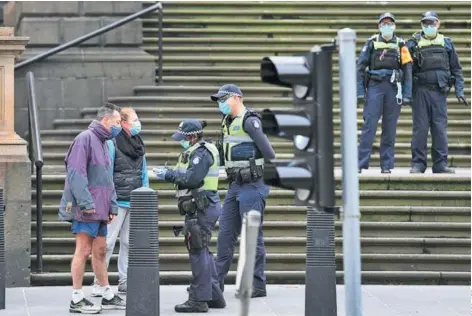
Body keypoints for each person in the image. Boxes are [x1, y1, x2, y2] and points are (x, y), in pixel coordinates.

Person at [58, 103, 126, 314]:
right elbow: (76, 174)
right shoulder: (84, 139)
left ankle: (106, 293)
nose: (119, 127)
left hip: (100, 208)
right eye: (116, 122)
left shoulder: (104, 143)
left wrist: (111, 204)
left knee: (99, 250)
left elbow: (107, 179)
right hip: (87, 208)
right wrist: (87, 203)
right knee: (84, 250)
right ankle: (77, 298)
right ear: (106, 120)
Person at [153, 120, 226, 313]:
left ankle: (198, 300)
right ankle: (215, 296)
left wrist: (168, 176)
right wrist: (170, 172)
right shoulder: (195, 151)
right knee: (202, 251)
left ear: (193, 136)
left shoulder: (200, 153)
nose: (181, 141)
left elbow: (193, 179)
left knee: (197, 251)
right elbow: (186, 174)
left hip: (201, 206)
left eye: (183, 138)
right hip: (200, 206)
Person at [210, 84, 275, 298]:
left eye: (223, 99)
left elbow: (269, 152)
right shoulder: (227, 122)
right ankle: (215, 285)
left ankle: (257, 285)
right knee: (225, 236)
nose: (220, 104)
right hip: (235, 185)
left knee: (252, 237)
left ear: (237, 98)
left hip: (253, 185)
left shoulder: (250, 120)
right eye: (219, 100)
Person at [91, 107, 149, 296]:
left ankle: (124, 280)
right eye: (135, 120)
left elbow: (143, 172)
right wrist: (110, 200)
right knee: (107, 243)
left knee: (127, 243)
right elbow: (107, 173)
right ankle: (100, 282)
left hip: (135, 200)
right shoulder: (112, 143)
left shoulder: (138, 142)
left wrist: (145, 194)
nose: (138, 123)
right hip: (118, 201)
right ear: (123, 123)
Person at [407, 11, 468, 174]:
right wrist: (405, 93)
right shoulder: (412, 44)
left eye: (432, 23)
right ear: (421, 25)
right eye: (426, 24)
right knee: (420, 129)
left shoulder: (447, 43)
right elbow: (405, 69)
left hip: (439, 93)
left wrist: (460, 91)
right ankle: (418, 164)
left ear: (438, 24)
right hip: (420, 92)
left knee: (439, 128)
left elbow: (456, 69)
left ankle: (440, 164)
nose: (429, 26)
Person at [356, 12, 413, 174]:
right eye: (384, 24)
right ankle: (360, 163)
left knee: (390, 129)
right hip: (375, 86)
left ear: (394, 26)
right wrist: (360, 92)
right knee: (369, 126)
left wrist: (408, 94)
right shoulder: (372, 43)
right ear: (379, 26)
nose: (387, 26)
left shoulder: (402, 44)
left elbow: (407, 70)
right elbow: (359, 68)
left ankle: (386, 165)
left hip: (394, 89)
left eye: (390, 24)